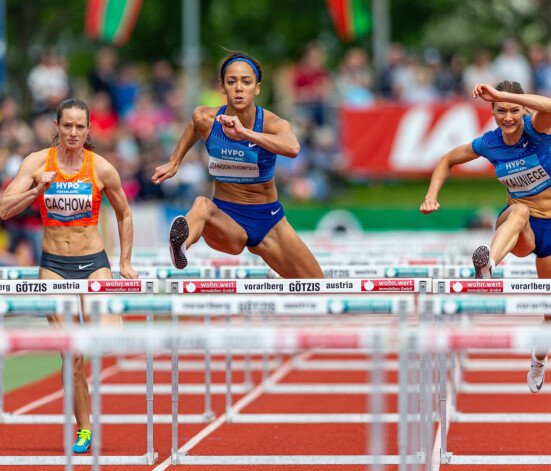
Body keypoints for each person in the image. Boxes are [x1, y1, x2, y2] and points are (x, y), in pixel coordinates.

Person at [0, 98, 138, 453]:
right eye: (67, 126)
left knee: (104, 337)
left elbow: (124, 213)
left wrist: (124, 260)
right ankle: (85, 429)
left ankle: (110, 318)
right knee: (70, 354)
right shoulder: (36, 163)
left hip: (94, 261)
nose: (73, 132)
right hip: (54, 266)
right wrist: (36, 191)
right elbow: (3, 209)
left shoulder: (102, 168)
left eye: (80, 126)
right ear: (57, 128)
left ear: (89, 130)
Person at [420, 81, 551, 393]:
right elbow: (447, 159)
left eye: (513, 110)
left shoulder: (539, 128)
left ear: (523, 110)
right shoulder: (490, 144)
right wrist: (430, 195)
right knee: (519, 211)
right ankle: (488, 265)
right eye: (500, 111)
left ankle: (538, 359)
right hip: (518, 228)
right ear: (492, 113)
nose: (507, 116)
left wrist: (502, 94)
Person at [152, 50, 323, 279]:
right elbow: (195, 123)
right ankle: (180, 247)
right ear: (222, 88)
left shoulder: (272, 123)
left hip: (268, 220)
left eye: (246, 81)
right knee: (201, 205)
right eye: (231, 82)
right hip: (227, 219)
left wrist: (246, 133)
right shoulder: (208, 120)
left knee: (319, 288)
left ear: (257, 88)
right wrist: (174, 162)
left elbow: (292, 148)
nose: (239, 87)